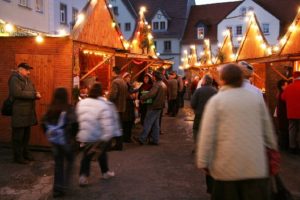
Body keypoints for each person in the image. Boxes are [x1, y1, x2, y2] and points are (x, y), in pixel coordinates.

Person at [196, 63, 277, 200]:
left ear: (223, 79)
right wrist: (273, 151)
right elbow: (267, 130)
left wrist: (203, 160)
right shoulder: (255, 97)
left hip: (226, 167)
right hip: (255, 165)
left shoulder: (217, 101)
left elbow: (207, 135)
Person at [76, 83, 121, 186]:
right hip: (97, 136)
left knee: (89, 156)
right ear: (101, 93)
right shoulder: (103, 105)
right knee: (99, 153)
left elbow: (79, 118)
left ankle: (86, 176)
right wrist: (108, 136)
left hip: (85, 135)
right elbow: (107, 124)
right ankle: (103, 173)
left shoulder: (82, 103)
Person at [42, 88, 78, 198]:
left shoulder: (50, 109)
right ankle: (65, 186)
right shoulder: (69, 109)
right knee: (70, 162)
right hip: (66, 142)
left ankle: (57, 189)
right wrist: (73, 137)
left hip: (55, 143)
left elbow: (43, 124)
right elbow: (75, 124)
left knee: (58, 164)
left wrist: (50, 134)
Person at [8, 62, 41, 164]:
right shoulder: (14, 79)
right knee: (18, 137)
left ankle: (25, 153)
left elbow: (32, 90)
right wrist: (33, 95)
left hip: (28, 113)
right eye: (27, 70)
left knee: (26, 136)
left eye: (29, 70)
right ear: (20, 69)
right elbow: (17, 93)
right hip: (19, 113)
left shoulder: (27, 80)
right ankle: (18, 157)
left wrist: (36, 93)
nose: (29, 72)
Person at [134, 71, 167, 145]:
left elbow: (151, 94)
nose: (152, 77)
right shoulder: (163, 84)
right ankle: (155, 140)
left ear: (155, 77)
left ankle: (141, 138)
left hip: (154, 106)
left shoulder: (157, 84)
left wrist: (142, 97)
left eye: (153, 76)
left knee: (148, 122)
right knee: (155, 124)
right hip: (159, 106)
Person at [108, 66, 128, 151]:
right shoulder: (123, 81)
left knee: (112, 126)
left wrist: (107, 98)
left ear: (114, 72)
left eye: (112, 71)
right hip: (122, 107)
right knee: (118, 127)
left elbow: (113, 95)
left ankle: (112, 145)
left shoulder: (115, 82)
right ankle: (119, 145)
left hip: (115, 108)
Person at [282, 71, 300, 154]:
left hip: (291, 113)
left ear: (294, 78)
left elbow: (283, 98)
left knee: (292, 129)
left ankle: (292, 147)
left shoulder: (288, 87)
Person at [122, 72, 136, 143]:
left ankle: (128, 137)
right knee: (125, 122)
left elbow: (133, 94)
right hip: (125, 106)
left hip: (130, 105)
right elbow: (124, 94)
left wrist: (133, 95)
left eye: (129, 77)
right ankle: (125, 137)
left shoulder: (129, 85)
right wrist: (130, 96)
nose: (129, 78)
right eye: (127, 77)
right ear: (124, 78)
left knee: (130, 122)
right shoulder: (123, 85)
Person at [275, 79, 289, 150]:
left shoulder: (279, 93)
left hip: (281, 113)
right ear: (281, 86)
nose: (287, 86)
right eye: (285, 85)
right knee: (284, 129)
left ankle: (282, 144)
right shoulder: (282, 93)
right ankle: (284, 145)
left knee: (282, 129)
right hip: (283, 113)